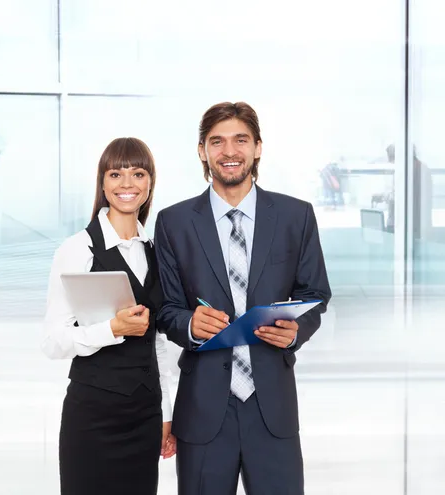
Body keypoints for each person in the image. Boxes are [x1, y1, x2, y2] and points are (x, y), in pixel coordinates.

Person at [154, 102, 332, 495]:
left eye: (240, 140)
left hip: (272, 406)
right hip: (202, 410)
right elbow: (164, 308)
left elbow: (315, 293)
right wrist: (187, 324)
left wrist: (295, 331)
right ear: (202, 150)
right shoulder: (174, 222)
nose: (229, 152)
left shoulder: (294, 216)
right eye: (217, 141)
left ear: (258, 147)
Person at [42, 137, 176, 495]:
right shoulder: (77, 250)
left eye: (138, 173)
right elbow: (53, 342)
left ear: (150, 183)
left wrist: (165, 412)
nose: (127, 184)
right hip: (93, 417)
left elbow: (157, 343)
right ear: (102, 183)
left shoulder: (157, 253)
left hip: (145, 416)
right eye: (116, 174)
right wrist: (111, 329)